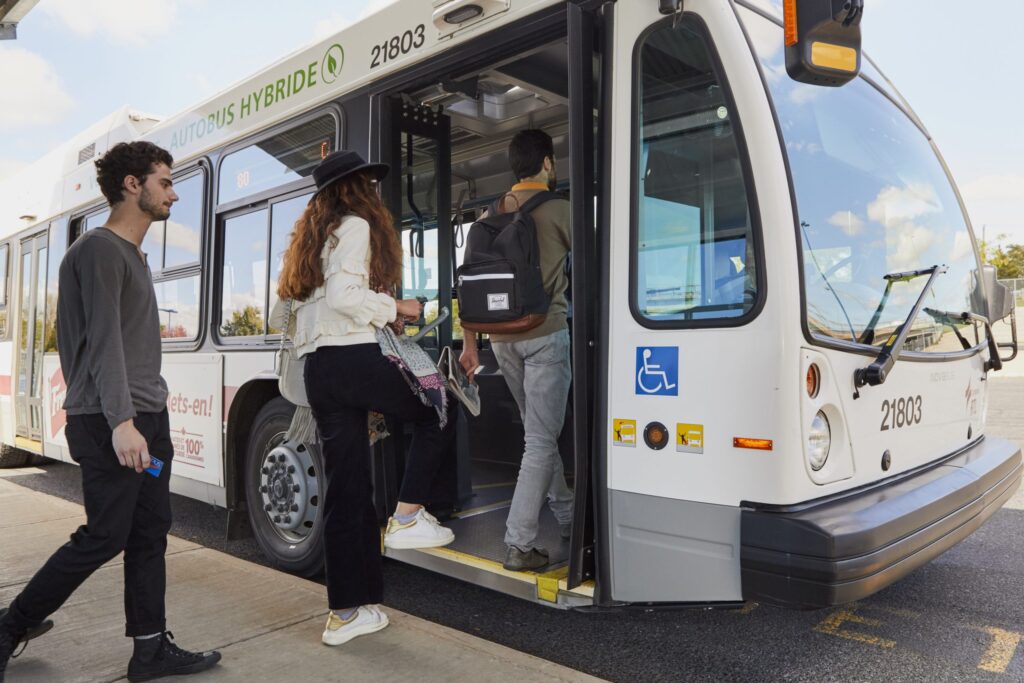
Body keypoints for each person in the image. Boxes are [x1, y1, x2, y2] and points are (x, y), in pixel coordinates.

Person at [0, 142, 221, 683]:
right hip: (110, 422)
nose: (173, 192)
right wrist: (122, 422)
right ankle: (10, 625)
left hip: (145, 418)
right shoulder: (100, 250)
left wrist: (145, 416)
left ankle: (150, 650)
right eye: (165, 182)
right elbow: (103, 343)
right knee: (106, 535)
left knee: (149, 533)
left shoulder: (133, 255)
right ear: (132, 184)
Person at [277, 150, 457, 647]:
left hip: (320, 372)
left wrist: (378, 312)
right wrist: (395, 306)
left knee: (347, 492)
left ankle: (347, 613)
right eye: (368, 183)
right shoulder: (355, 226)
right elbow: (344, 299)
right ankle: (407, 518)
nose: (375, 192)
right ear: (353, 189)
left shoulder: (312, 241)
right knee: (437, 407)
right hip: (352, 361)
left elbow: (307, 310)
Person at [460, 129, 573, 571]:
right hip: (544, 334)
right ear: (547, 163)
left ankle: (566, 516)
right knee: (541, 440)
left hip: (501, 341)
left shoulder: (490, 215)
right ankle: (519, 543)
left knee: (537, 436)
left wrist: (471, 345)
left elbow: (468, 287)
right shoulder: (559, 210)